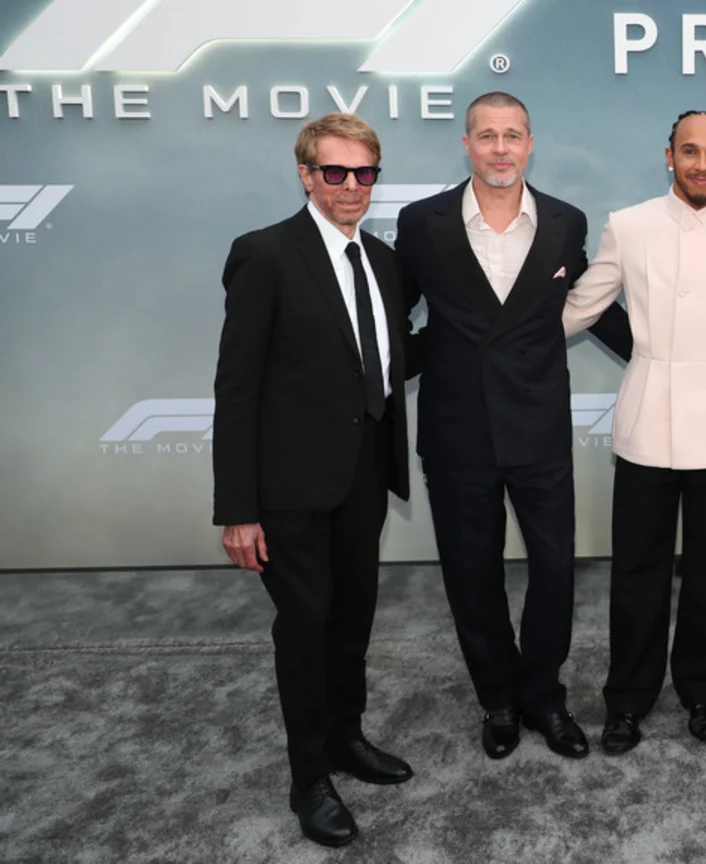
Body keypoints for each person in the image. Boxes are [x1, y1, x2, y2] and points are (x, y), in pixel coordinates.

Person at [393, 92, 631, 762]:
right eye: (487, 135)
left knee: (555, 569)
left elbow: (594, 305)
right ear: (466, 144)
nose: (501, 148)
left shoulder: (563, 221)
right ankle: (497, 697)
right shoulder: (421, 222)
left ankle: (543, 696)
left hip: (539, 427)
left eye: (513, 135)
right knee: (473, 573)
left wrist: (663, 351)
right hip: (456, 427)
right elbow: (392, 316)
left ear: (531, 144)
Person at [562, 109, 706, 754]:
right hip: (646, 422)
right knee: (638, 571)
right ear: (669, 156)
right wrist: (503, 345)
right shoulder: (628, 226)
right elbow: (581, 306)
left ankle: (702, 691)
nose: (701, 163)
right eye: (689, 151)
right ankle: (627, 700)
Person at [213, 112, 413, 847]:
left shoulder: (385, 261)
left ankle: (346, 739)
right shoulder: (264, 255)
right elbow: (236, 388)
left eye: (365, 173)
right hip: (289, 489)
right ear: (307, 174)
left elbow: (380, 360)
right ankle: (308, 777)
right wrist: (238, 508)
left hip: (363, 478)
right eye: (336, 172)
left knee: (353, 619)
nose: (352, 186)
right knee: (305, 630)